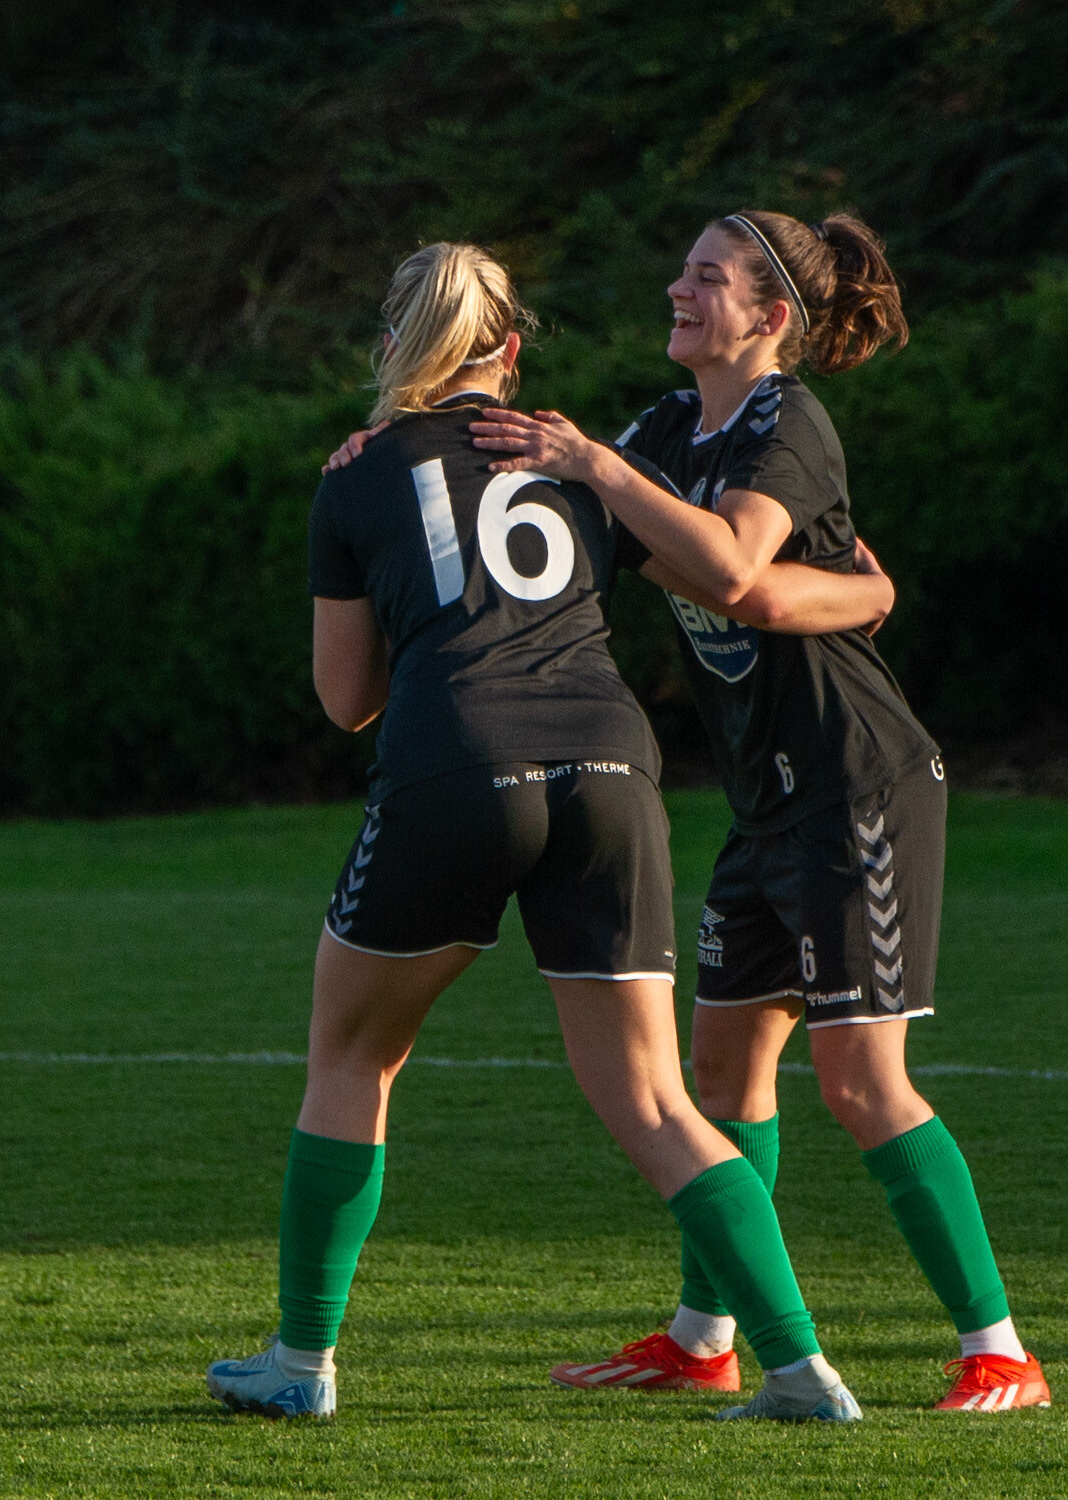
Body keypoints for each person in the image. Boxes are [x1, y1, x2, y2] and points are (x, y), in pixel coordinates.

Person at [205, 241, 882, 1425]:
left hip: (457, 764)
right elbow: (728, 578)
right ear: (510, 351)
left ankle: (300, 1363)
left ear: (393, 348)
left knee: (352, 1059)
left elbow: (345, 698)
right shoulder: (587, 463)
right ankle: (798, 1371)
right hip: (611, 766)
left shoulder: (359, 471)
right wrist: (870, 593)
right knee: (656, 1101)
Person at [468, 210, 1050, 1414]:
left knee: (858, 1083)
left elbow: (734, 569)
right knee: (722, 1074)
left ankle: (1000, 1351)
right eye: (680, 268)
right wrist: (392, 450)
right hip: (764, 803)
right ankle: (702, 1339)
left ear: (769, 314)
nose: (675, 289)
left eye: (705, 277)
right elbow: (625, 535)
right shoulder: (667, 429)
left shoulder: (787, 424)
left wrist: (606, 474)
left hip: (858, 785)